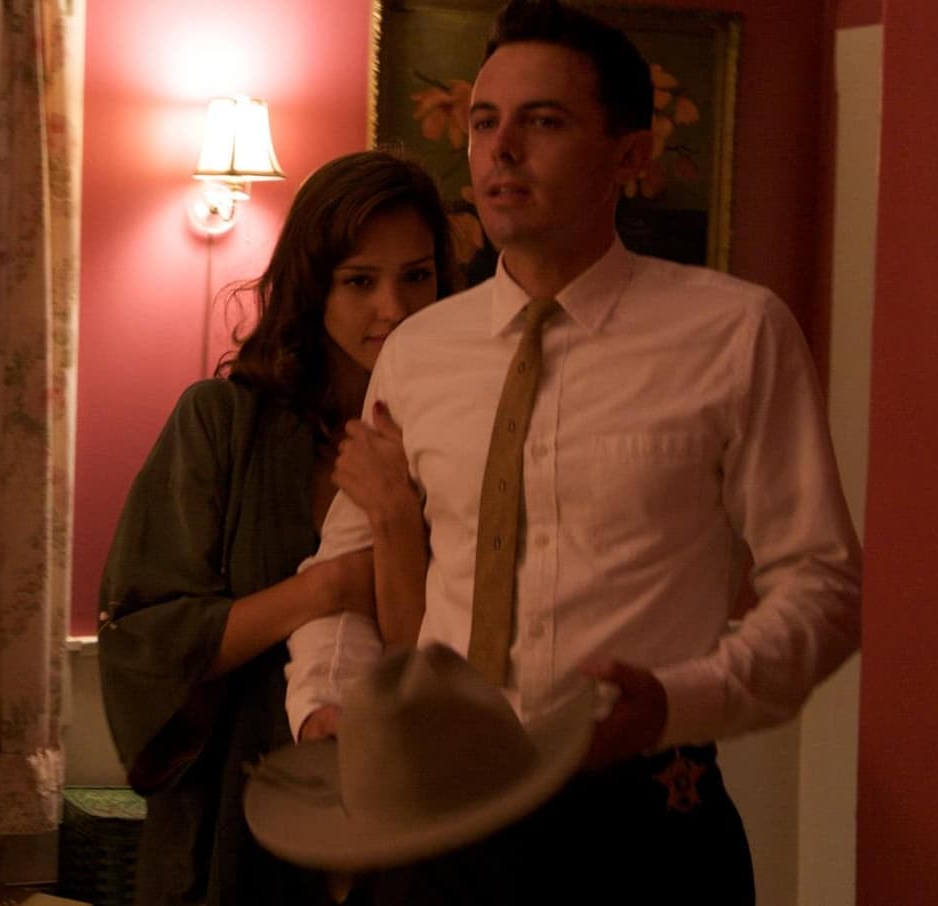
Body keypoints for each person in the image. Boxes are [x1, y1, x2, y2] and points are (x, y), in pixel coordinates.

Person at [283, 1, 862, 903]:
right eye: (484, 122)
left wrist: (678, 700)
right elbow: (343, 572)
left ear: (630, 156)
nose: (501, 150)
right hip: (438, 819)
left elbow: (823, 588)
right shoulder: (419, 353)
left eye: (543, 122)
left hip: (644, 822)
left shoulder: (735, 334)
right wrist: (326, 701)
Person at [96, 149, 453, 906]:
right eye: (360, 281)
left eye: (417, 276)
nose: (394, 308)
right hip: (228, 823)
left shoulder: (456, 445)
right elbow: (148, 637)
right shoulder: (220, 425)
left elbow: (449, 658)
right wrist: (327, 588)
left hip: (397, 821)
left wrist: (395, 528)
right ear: (312, 284)